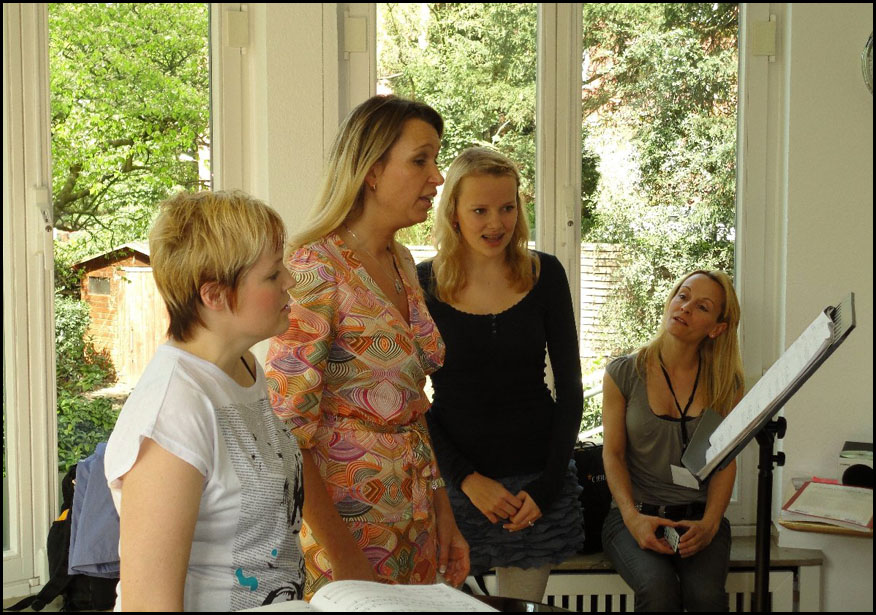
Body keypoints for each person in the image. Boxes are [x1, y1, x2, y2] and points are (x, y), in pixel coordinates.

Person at [265, 94, 469, 598]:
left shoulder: (401, 261)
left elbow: (411, 407)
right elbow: (288, 432)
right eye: (420, 160)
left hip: (413, 521)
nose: (437, 177)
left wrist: (443, 514)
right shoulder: (315, 268)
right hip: (343, 533)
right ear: (372, 170)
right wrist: (347, 559)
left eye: (436, 160)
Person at [104, 190, 305, 611]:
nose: (290, 280)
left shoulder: (242, 367)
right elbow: (148, 605)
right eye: (273, 275)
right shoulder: (173, 412)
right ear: (214, 295)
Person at [416, 147, 585, 603]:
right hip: (454, 485)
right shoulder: (422, 282)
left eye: (507, 208)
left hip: (535, 486)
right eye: (480, 210)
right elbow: (409, 397)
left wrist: (546, 489)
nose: (496, 223)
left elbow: (570, 391)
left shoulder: (546, 273)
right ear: (453, 212)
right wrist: (467, 479)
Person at [601, 269, 744, 612]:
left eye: (702, 307)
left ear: (717, 328)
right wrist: (633, 518)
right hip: (634, 514)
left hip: (698, 518)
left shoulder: (727, 385)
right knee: (658, 590)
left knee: (705, 598)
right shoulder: (623, 373)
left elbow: (725, 464)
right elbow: (613, 455)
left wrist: (709, 525)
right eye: (683, 296)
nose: (686, 308)